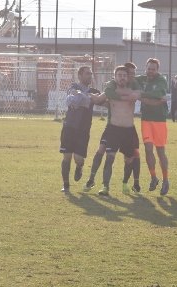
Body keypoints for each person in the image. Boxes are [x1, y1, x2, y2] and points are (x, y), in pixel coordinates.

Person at [113, 58, 170, 195]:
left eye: (153, 69)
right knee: (148, 149)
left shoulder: (161, 80)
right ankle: (153, 177)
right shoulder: (140, 79)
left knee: (160, 151)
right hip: (146, 120)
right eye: (148, 68)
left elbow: (160, 94)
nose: (150, 71)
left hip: (160, 120)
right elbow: (125, 81)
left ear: (157, 70)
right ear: (145, 68)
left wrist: (141, 95)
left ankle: (166, 180)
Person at [86, 62, 141, 192]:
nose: (122, 77)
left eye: (124, 75)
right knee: (109, 157)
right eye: (119, 75)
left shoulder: (133, 90)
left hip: (129, 130)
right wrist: (87, 94)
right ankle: (105, 186)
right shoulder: (109, 90)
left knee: (129, 159)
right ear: (115, 77)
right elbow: (99, 100)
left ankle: (125, 184)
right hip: (113, 129)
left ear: (127, 77)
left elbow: (138, 95)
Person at [59, 66, 104, 192]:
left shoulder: (95, 91)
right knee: (66, 156)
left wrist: (83, 97)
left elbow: (103, 102)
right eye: (87, 73)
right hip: (69, 127)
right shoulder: (73, 86)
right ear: (79, 75)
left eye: (91, 73)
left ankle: (79, 167)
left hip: (83, 129)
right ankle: (66, 185)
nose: (90, 76)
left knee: (78, 159)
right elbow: (71, 101)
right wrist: (87, 97)